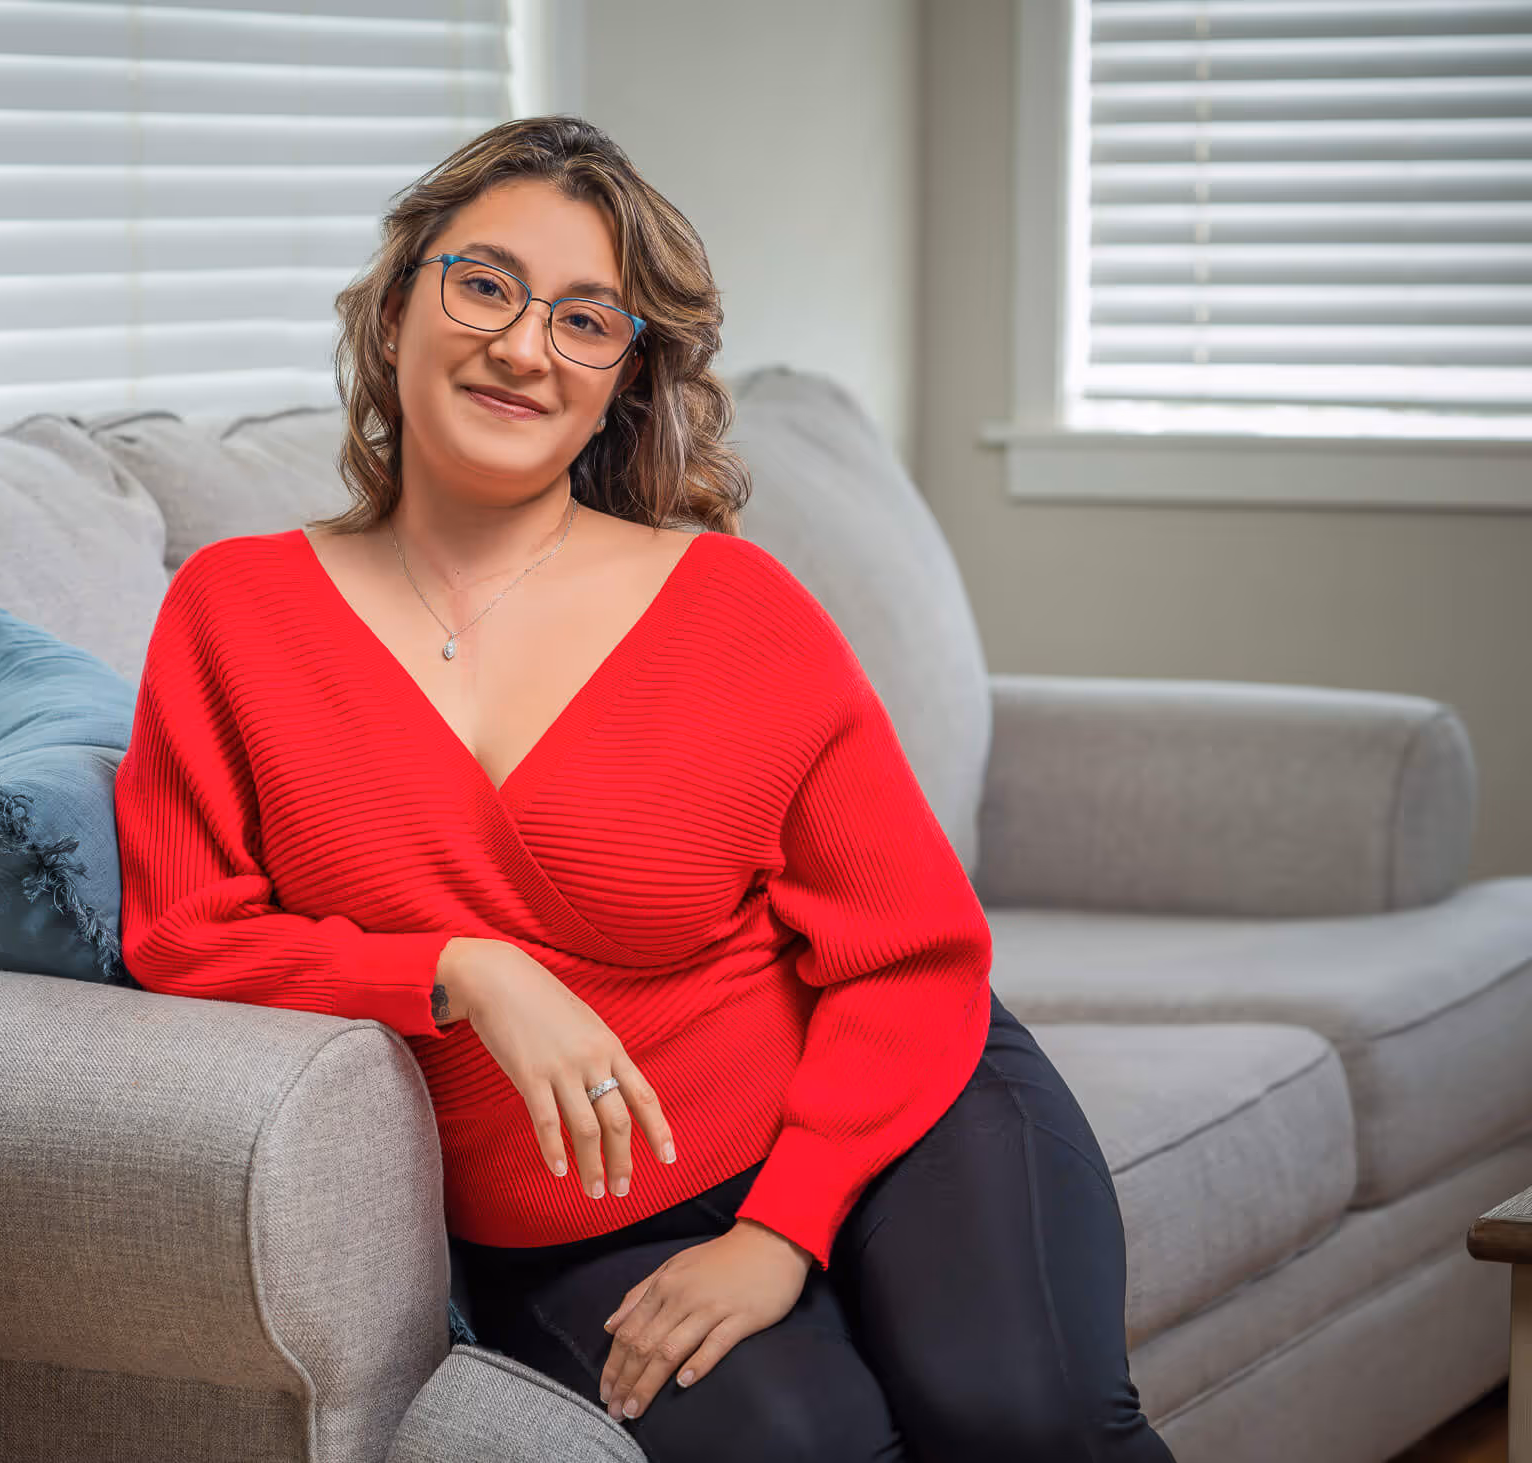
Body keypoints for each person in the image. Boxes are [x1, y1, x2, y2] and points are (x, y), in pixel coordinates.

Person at [114, 114, 1176, 1463]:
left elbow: (913, 950)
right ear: (392, 312)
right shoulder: (235, 612)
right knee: (805, 1448)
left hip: (895, 1114)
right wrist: (460, 972)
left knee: (1023, 1415)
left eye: (584, 320)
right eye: (485, 285)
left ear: (621, 376)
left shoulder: (734, 605)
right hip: (577, 1226)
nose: (523, 348)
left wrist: (783, 1229)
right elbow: (181, 935)